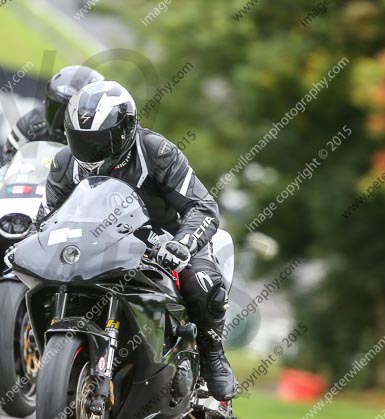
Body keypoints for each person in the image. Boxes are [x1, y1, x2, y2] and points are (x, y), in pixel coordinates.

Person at [34, 81, 236, 400]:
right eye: (82, 140)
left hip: (166, 243)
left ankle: (213, 355)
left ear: (126, 130)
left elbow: (203, 206)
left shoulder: (157, 153)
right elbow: (47, 218)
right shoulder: (64, 164)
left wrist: (182, 244)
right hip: (98, 247)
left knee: (201, 283)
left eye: (101, 141)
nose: (91, 151)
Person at [2, 65, 104, 161]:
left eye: (70, 112)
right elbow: (7, 167)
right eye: (55, 107)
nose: (59, 118)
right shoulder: (30, 124)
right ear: (46, 102)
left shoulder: (99, 141)